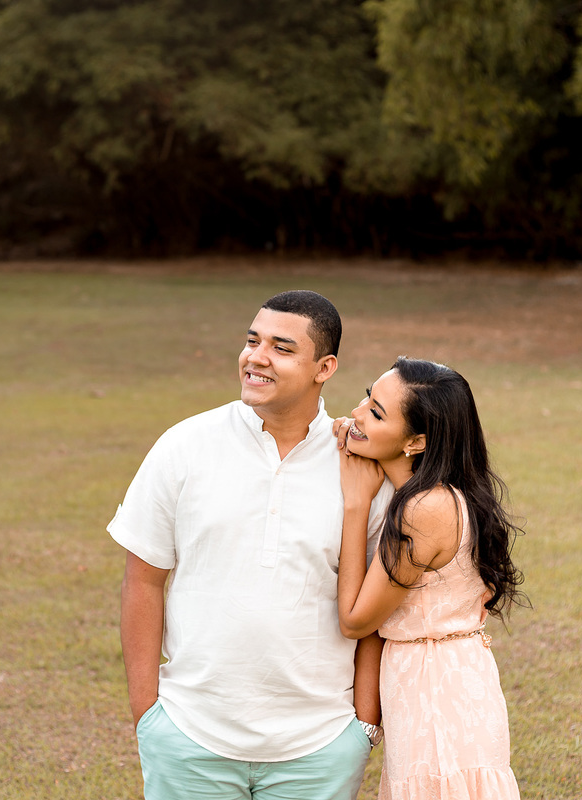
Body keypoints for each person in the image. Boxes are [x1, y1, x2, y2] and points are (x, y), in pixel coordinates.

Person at [108, 290, 392, 800]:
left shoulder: (361, 467)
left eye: (282, 348)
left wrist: (362, 727)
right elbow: (143, 580)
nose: (256, 357)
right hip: (189, 738)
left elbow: (375, 610)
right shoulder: (184, 445)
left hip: (320, 747)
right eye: (252, 340)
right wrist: (148, 714)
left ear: (323, 367)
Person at [334, 357, 525, 800]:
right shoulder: (440, 495)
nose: (358, 413)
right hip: (442, 677)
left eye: (377, 413)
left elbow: (355, 620)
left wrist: (355, 503)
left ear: (416, 441)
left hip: (437, 690)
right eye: (367, 397)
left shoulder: (426, 510)